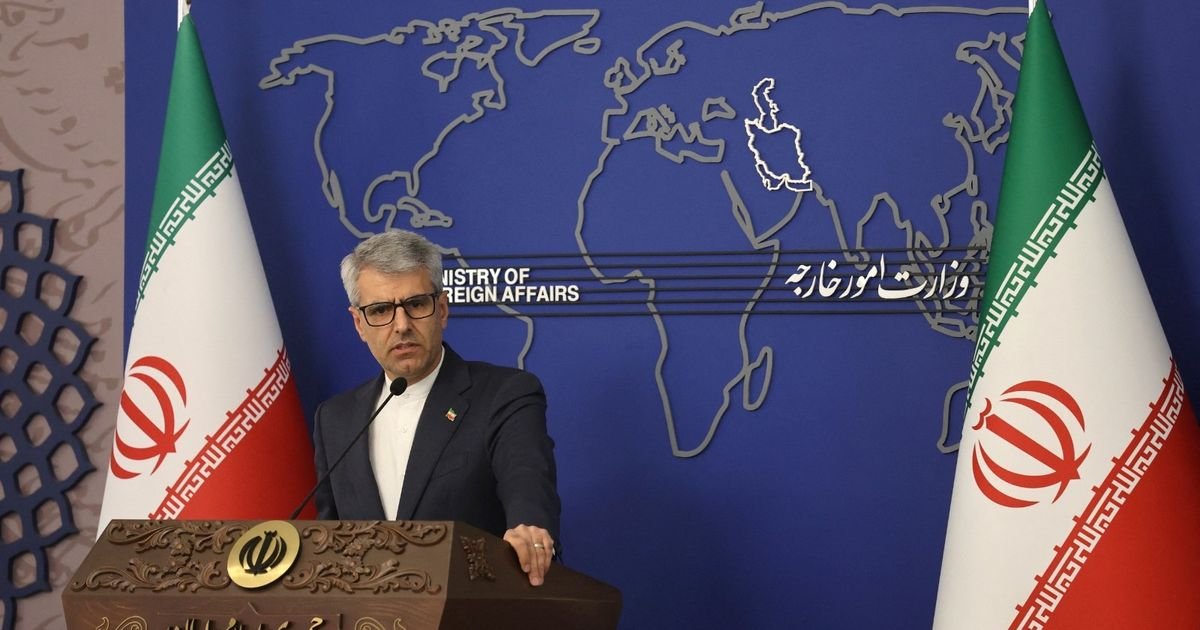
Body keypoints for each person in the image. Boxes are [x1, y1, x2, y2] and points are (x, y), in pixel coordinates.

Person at [311, 229, 561, 586]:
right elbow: (330, 541)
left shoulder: (504, 395)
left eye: (416, 305)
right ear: (359, 324)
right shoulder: (335, 419)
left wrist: (529, 528)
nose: (401, 326)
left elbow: (526, 477)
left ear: (441, 310)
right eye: (380, 310)